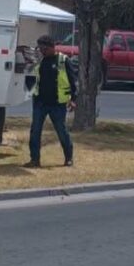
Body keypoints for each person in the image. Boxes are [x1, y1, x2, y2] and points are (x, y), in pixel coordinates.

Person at [27, 34, 75, 167]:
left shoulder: (63, 60)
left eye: (43, 48)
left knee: (61, 130)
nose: (41, 51)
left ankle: (68, 158)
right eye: (40, 48)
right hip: (40, 102)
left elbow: (72, 81)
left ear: (51, 47)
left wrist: (73, 99)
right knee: (35, 131)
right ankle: (35, 160)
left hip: (57, 103)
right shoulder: (40, 61)